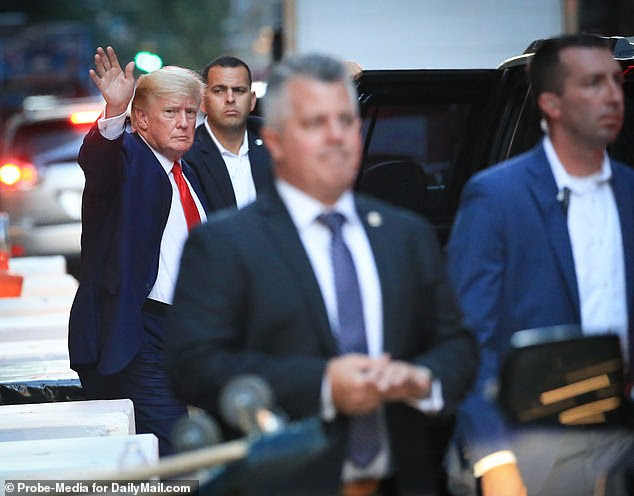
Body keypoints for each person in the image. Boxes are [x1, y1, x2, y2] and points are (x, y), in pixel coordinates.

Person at [166, 53, 478, 495]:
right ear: (274, 141)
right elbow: (194, 368)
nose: (336, 137)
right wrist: (325, 385)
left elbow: (458, 347)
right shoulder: (224, 245)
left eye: (346, 121)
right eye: (315, 123)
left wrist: (421, 379)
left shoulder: (404, 234)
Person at [446, 34, 634, 496]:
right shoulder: (497, 196)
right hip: (532, 442)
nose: (612, 95)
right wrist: (495, 459)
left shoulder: (630, 192)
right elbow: (468, 338)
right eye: (593, 83)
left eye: (615, 81)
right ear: (550, 102)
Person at [68, 46, 208, 456]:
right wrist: (113, 112)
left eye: (190, 113)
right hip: (140, 332)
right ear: (141, 120)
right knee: (174, 450)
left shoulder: (187, 171)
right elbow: (99, 160)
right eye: (170, 113)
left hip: (188, 332)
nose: (184, 123)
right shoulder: (129, 159)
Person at [184, 55, 272, 212]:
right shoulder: (186, 155)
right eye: (219, 90)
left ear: (252, 100)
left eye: (239, 90)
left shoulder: (275, 144)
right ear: (203, 101)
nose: (230, 99)